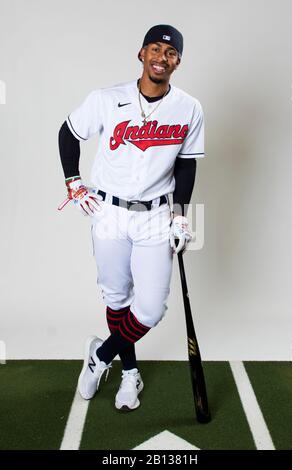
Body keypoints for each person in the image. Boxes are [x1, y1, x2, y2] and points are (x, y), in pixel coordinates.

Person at [58, 24, 205, 411]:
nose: (162, 57)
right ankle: (129, 373)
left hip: (156, 215)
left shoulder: (189, 107)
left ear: (178, 62)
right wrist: (74, 182)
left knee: (151, 307)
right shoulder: (106, 99)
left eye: (170, 53)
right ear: (141, 54)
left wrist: (180, 216)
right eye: (155, 49)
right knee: (117, 296)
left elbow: (187, 165)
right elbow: (68, 133)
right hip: (108, 211)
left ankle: (100, 356)